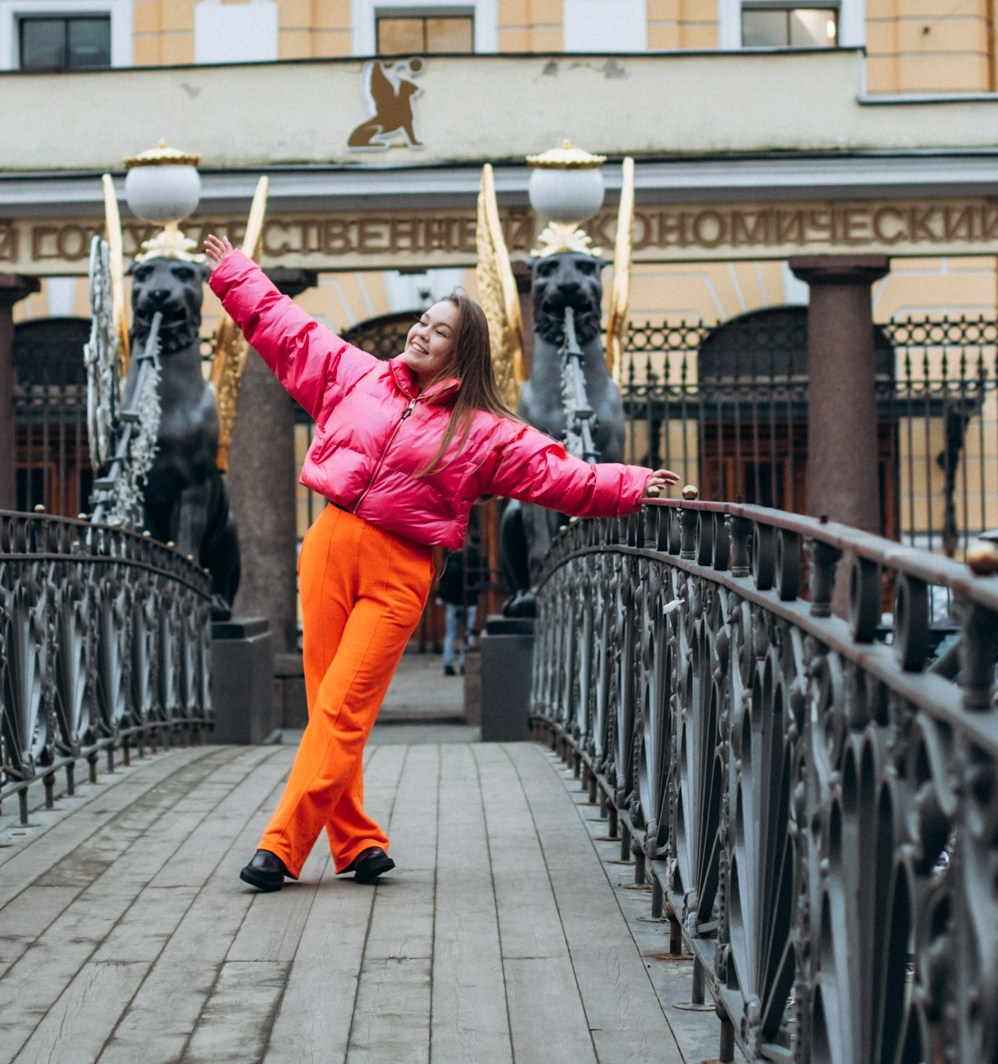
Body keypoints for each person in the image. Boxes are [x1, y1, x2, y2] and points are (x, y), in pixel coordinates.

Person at [202, 234, 681, 892]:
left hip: (398, 572)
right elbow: (287, 330)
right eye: (423, 321)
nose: (422, 332)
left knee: (343, 708)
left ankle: (281, 846)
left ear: (464, 350)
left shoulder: (483, 431)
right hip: (328, 548)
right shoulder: (357, 376)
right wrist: (235, 272)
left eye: (440, 329)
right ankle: (358, 842)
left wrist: (631, 486)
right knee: (328, 709)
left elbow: (560, 476)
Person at [436, 541, 476, 677]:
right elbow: (483, 577)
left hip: (453, 602)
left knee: (451, 634)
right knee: (468, 633)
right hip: (470, 601)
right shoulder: (475, 557)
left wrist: (442, 596)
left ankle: (448, 664)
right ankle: (464, 662)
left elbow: (444, 580)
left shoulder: (451, 560)